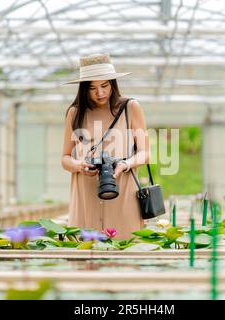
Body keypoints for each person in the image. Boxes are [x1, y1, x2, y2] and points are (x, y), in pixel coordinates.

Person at [61, 53, 150, 239]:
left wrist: (125, 164)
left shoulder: (130, 107)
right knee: (85, 254)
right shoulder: (74, 113)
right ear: (84, 89)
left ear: (112, 83)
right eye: (92, 88)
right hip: (85, 192)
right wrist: (79, 166)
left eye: (104, 85)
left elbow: (145, 154)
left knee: (126, 248)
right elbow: (65, 158)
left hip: (123, 189)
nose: (100, 93)